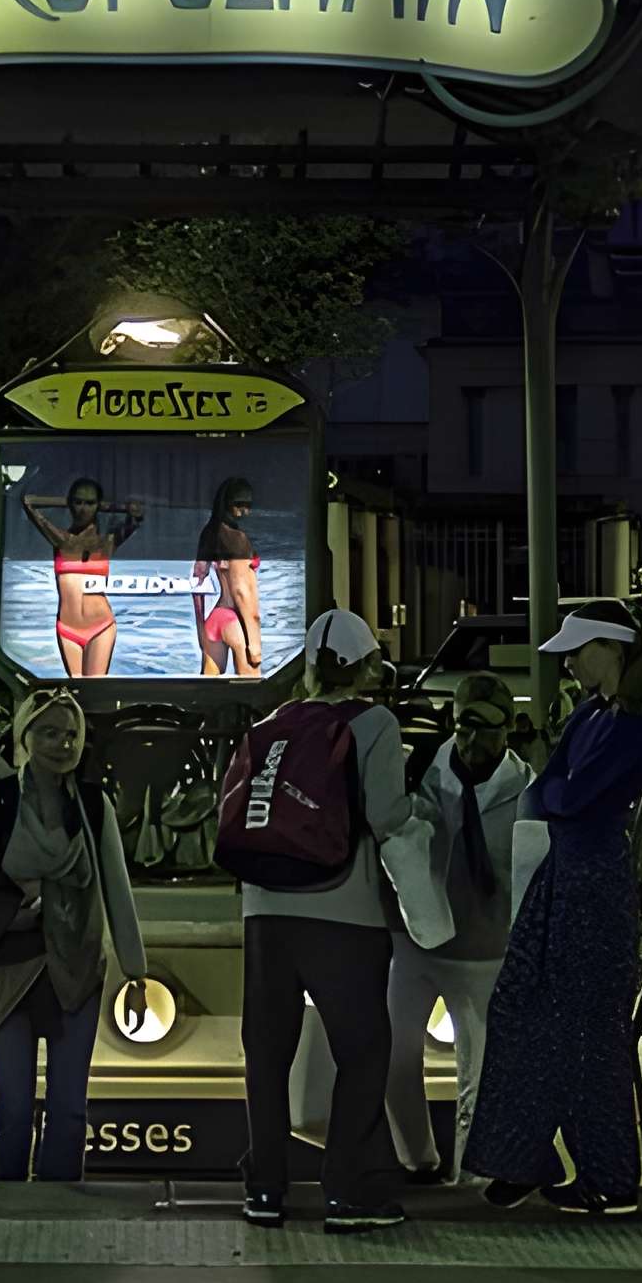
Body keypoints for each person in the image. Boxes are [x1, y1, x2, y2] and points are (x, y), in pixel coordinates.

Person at [467, 600, 642, 1218]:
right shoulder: (604, 716)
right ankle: (556, 1165)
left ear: (611, 649)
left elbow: (561, 793)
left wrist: (552, 794)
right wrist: (555, 794)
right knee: (542, 1015)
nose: (571, 664)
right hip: (575, 871)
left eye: (579, 652)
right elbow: (559, 791)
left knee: (578, 1027)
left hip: (587, 878)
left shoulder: (628, 724)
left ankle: (580, 1170)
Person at [233, 606, 412, 1235]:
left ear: (307, 668)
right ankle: (350, 1191)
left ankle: (264, 1190)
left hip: (264, 910)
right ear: (367, 667)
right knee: (361, 1052)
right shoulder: (374, 723)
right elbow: (387, 816)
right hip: (344, 910)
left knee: (267, 1054)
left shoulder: (270, 725)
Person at [0, 690, 148, 1181]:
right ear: (25, 737)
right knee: (14, 1106)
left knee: (70, 1107)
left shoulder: (94, 807)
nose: (64, 744)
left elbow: (117, 892)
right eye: (50, 732)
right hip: (11, 970)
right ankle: (10, 1206)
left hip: (77, 969)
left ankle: (60, 1207)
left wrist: (136, 975)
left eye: (72, 734)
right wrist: (1, 917)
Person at [386, 671, 530, 1185]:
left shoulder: (526, 789)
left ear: (507, 730)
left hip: (485, 948)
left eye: (486, 729)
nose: (472, 741)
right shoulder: (421, 770)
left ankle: (472, 1172)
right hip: (416, 939)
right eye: (464, 727)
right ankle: (416, 1158)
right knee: (394, 1054)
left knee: (482, 1069)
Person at [19, 477, 145, 678]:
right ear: (70, 504)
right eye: (78, 502)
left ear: (98, 506)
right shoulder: (62, 541)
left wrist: (135, 512)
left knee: (95, 688)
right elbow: (32, 511)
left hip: (101, 626)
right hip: (68, 628)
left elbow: (135, 521)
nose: (83, 509)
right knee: (77, 688)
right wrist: (28, 502)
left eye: (89, 503)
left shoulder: (107, 542)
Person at [192, 476, 263, 678]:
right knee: (251, 687)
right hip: (236, 621)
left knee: (206, 690)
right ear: (227, 503)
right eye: (239, 504)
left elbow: (197, 585)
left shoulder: (210, 533)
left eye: (248, 505)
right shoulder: (238, 540)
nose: (245, 511)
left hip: (215, 617)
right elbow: (242, 593)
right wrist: (254, 643)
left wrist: (201, 630)